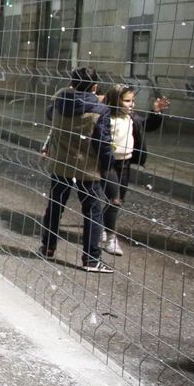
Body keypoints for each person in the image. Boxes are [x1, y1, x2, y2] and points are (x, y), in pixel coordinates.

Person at [39, 66, 113, 273]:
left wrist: (65, 92)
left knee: (55, 206)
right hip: (87, 168)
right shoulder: (101, 110)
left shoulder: (59, 101)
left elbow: (48, 115)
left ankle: (48, 247)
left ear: (72, 83)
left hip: (61, 164)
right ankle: (91, 258)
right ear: (95, 86)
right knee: (92, 211)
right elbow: (103, 143)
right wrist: (107, 166)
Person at [92, 84, 168, 256]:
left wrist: (156, 112)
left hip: (125, 164)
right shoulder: (106, 117)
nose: (131, 104)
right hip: (108, 164)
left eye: (133, 100)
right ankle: (111, 238)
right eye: (127, 101)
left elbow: (148, 125)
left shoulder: (132, 118)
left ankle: (104, 227)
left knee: (118, 200)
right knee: (114, 199)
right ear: (115, 100)